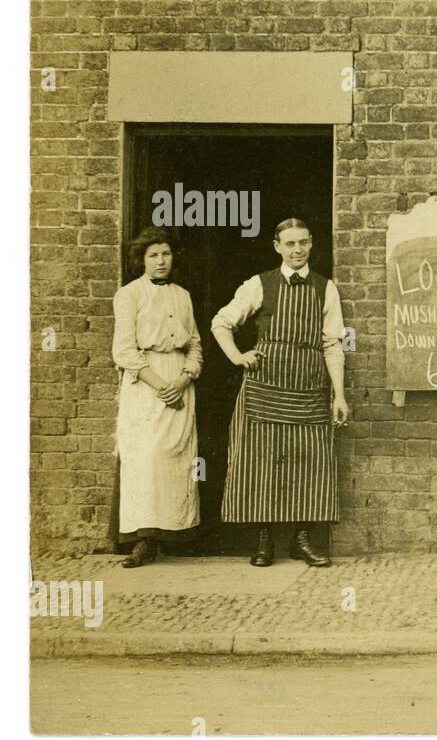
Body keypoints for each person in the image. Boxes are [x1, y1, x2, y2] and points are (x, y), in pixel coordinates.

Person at [211, 218, 349, 568]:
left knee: (312, 464)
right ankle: (263, 540)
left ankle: (302, 540)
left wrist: (340, 395)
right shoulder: (260, 285)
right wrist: (238, 356)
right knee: (261, 464)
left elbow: (332, 345)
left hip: (309, 389)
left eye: (303, 242)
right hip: (264, 389)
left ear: (312, 244)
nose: (298, 249)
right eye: (290, 244)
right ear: (277, 247)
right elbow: (221, 323)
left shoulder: (325, 288)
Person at [111, 230, 203, 567]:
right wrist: (161, 384)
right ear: (142, 260)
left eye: (165, 254)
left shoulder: (183, 296)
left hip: (179, 378)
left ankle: (176, 533)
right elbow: (123, 350)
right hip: (144, 382)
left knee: (176, 457)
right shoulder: (128, 295)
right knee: (145, 458)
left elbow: (194, 343)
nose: (161, 261)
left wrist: (182, 378)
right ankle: (144, 539)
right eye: (153, 256)